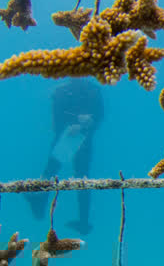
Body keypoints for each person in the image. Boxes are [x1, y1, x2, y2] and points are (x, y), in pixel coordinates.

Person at [26, 81, 105, 232]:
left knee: (76, 176)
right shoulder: (68, 91)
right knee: (67, 174)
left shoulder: (79, 90)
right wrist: (77, 124)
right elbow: (57, 122)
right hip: (68, 138)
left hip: (81, 140)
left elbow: (99, 115)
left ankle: (81, 220)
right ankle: (81, 221)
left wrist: (86, 123)